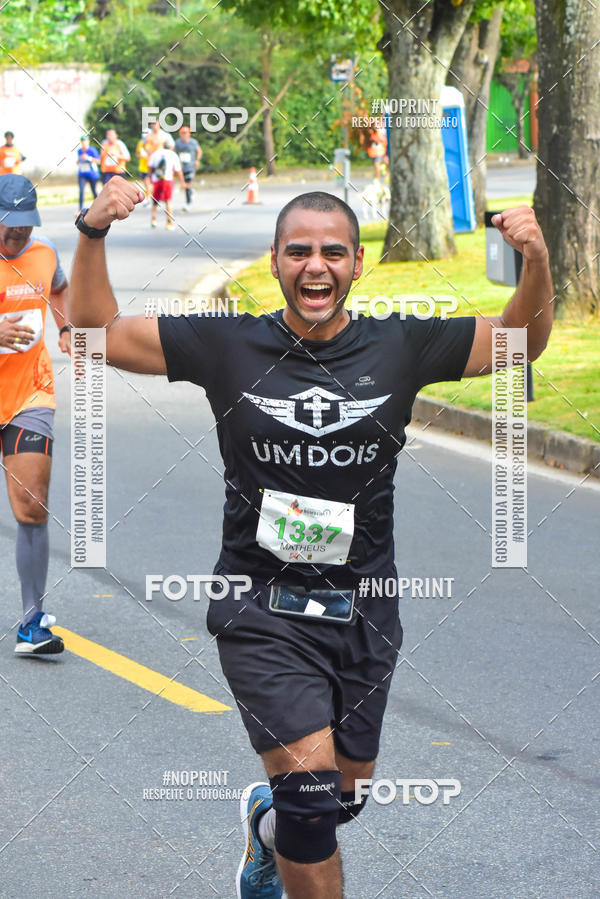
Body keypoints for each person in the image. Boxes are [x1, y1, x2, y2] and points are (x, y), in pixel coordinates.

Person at [69, 180, 554, 898]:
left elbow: (519, 342)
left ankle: (264, 830)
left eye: (332, 251)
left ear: (358, 263)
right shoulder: (228, 344)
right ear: (274, 262)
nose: (314, 265)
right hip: (260, 604)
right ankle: (286, 819)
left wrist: (537, 258)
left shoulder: (400, 344)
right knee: (310, 796)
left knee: (340, 799)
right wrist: (92, 231)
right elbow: (94, 333)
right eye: (298, 251)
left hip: (366, 606)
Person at [0, 175, 71, 655]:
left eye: (24, 228)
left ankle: (31, 623)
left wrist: (66, 327)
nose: (16, 237)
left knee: (32, 505)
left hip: (30, 395)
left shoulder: (44, 253)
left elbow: (61, 288)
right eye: (8, 228)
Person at [148, 136, 185, 230]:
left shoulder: (155, 153)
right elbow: (178, 170)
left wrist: (150, 178)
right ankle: (169, 222)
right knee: (168, 201)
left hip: (156, 179)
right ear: (171, 147)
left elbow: (150, 167)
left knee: (155, 200)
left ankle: (153, 220)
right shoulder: (173, 155)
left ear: (163, 146)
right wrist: (182, 182)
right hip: (167, 180)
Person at [174, 125, 201, 211]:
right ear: (180, 134)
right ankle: (190, 192)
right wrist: (177, 162)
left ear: (189, 133)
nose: (184, 135)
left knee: (187, 182)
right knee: (185, 184)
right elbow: (174, 153)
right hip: (182, 166)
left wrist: (197, 160)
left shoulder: (193, 142)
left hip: (191, 165)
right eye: (182, 133)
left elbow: (199, 151)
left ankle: (188, 202)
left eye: (186, 133)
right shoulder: (177, 143)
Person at [76, 136, 101, 213]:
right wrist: (79, 160)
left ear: (88, 142)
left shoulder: (92, 150)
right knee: (81, 191)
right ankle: (80, 210)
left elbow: (98, 161)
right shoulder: (79, 151)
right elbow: (78, 162)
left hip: (92, 174)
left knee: (94, 191)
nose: (84, 143)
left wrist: (88, 158)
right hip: (82, 174)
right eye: (82, 141)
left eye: (85, 141)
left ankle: (99, 208)